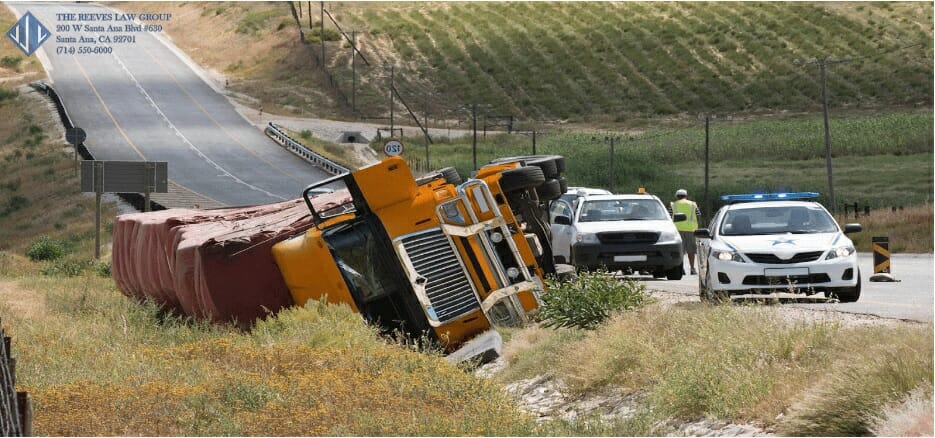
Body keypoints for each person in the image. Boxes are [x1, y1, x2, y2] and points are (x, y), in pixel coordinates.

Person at [671, 189, 701, 275]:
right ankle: (692, 269)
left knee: (680, 250)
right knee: (691, 251)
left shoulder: (673, 205)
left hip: (677, 230)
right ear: (686, 196)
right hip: (691, 230)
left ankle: (681, 269)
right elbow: (698, 215)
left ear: (677, 196)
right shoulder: (693, 204)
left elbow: (669, 216)